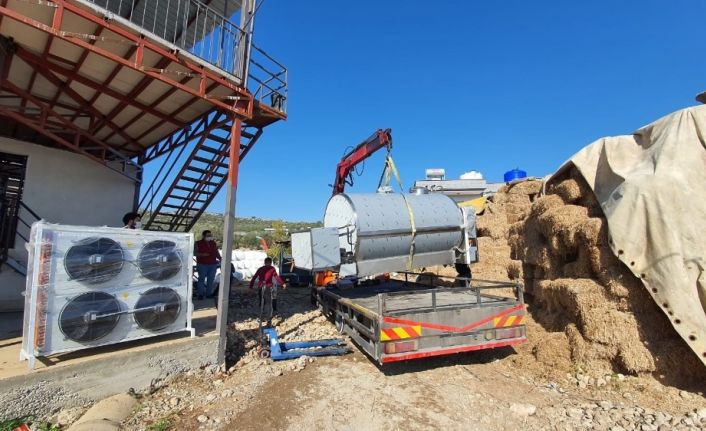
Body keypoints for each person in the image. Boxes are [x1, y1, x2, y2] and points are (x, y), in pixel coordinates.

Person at [194, 230, 221, 300]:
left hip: (213, 264)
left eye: (210, 235)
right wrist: (202, 254)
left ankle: (208, 294)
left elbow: (216, 252)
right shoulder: (197, 243)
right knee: (201, 279)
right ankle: (200, 294)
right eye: (208, 235)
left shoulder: (213, 243)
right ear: (203, 236)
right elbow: (195, 253)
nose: (209, 237)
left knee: (211, 280)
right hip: (202, 264)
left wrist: (220, 258)